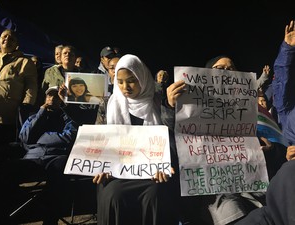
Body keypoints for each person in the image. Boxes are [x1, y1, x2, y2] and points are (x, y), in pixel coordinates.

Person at [163, 55, 266, 225]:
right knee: (230, 209)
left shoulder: (249, 104)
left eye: (230, 68)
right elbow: (175, 131)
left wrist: (268, 148)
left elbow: (267, 136)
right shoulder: (190, 101)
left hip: (249, 180)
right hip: (213, 186)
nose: (225, 72)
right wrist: (170, 106)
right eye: (219, 68)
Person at [92, 54, 179, 225]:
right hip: (116, 174)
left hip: (152, 174)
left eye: (132, 80)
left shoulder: (158, 101)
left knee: (155, 194)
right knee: (113, 195)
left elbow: (169, 136)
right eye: (120, 81)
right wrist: (100, 165)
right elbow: (100, 138)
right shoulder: (108, 104)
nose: (125, 87)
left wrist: (164, 164)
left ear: (143, 78)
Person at [233, 18, 295, 225]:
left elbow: (281, 86)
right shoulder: (282, 113)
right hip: (265, 200)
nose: (260, 101)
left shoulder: (282, 114)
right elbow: (282, 82)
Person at [0, 86, 79, 224]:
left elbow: (70, 136)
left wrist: (42, 138)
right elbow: (24, 138)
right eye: (49, 96)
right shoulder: (35, 116)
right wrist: (40, 113)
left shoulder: (67, 118)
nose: (51, 99)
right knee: (1, 172)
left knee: (61, 170)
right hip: (32, 157)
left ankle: (50, 220)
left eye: (56, 96)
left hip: (56, 157)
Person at [0, 29, 38, 167]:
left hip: (7, 118)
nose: (7, 39)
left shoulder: (24, 62)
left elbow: (31, 87)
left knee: (0, 154)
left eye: (11, 38)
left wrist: (26, 107)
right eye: (4, 36)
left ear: (17, 44)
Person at [41, 45, 98, 125]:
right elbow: (43, 90)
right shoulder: (50, 72)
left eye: (71, 54)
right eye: (65, 53)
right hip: (53, 113)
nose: (67, 55)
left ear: (75, 59)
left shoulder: (82, 75)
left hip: (73, 116)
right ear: (60, 58)